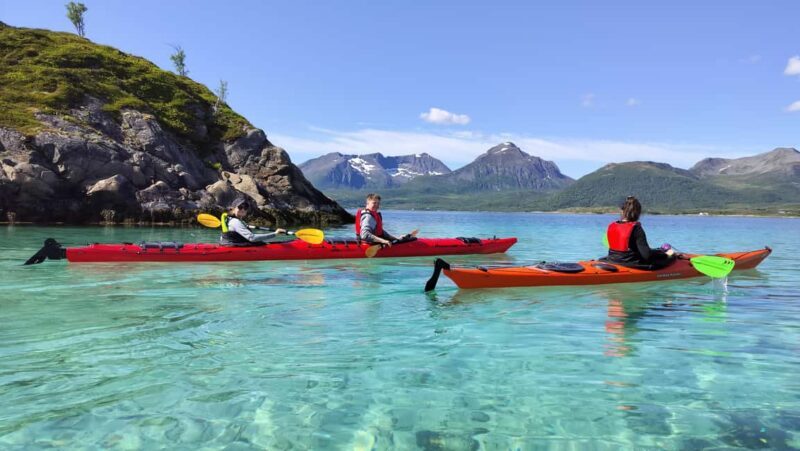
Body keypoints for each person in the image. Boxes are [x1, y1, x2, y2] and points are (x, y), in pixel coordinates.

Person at [604, 196, 676, 269]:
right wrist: (666, 255)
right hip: (629, 264)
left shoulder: (611, 226)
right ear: (638, 213)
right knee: (672, 258)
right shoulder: (636, 229)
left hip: (612, 260)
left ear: (622, 211)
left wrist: (659, 251)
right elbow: (647, 256)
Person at [220, 197, 286, 246]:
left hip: (232, 245)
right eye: (240, 207)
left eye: (245, 207)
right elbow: (252, 238)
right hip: (237, 248)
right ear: (233, 209)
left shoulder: (230, 220)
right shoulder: (235, 222)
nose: (243, 209)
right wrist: (275, 234)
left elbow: (222, 238)